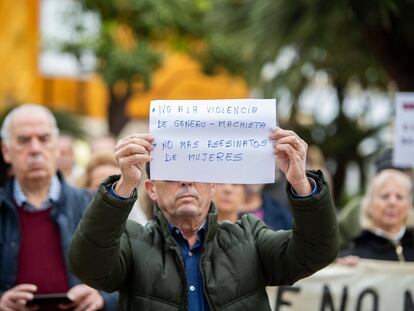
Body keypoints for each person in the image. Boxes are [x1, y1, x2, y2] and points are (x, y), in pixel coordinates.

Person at [68, 128, 339, 310]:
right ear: (151, 190)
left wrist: (302, 184)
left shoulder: (249, 236)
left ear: (212, 186)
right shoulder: (132, 242)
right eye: (173, 175)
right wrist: (125, 184)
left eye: (195, 173)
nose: (186, 182)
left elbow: (315, 252)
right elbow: (87, 265)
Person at [0, 104, 117, 310]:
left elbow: (127, 279)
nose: (35, 149)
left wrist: (102, 298)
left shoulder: (92, 206)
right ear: (6, 151)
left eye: (44, 139)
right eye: (24, 140)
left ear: (56, 148)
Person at [341, 169, 414, 262]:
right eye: (385, 196)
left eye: (399, 197)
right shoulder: (355, 254)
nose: (392, 202)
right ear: (369, 205)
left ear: (409, 206)